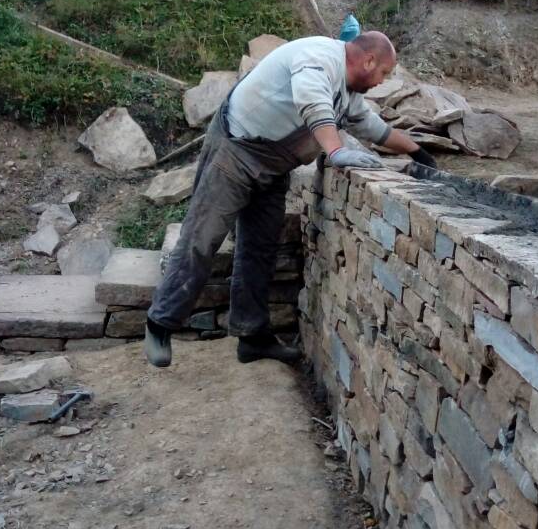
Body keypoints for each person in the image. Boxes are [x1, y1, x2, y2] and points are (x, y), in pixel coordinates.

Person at [144, 31, 437, 368]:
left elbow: (372, 127)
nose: (382, 82)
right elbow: (313, 103)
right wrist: (336, 150)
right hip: (235, 151)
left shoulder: (347, 90)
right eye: (384, 73)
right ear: (369, 61)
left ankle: (252, 337)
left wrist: (418, 151)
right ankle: (159, 324)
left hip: (273, 165)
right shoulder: (319, 58)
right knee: (202, 238)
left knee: (260, 249)